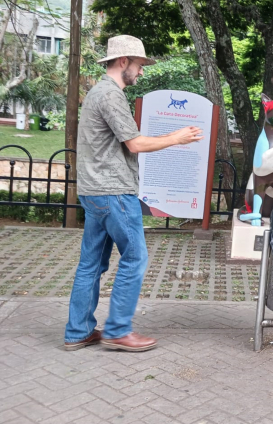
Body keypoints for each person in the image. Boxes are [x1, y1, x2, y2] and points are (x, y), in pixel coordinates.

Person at [64, 35, 203, 352]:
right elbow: (136, 144)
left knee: (91, 266)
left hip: (94, 191)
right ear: (123, 62)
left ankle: (78, 331)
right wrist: (176, 137)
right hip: (113, 192)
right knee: (136, 257)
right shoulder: (110, 96)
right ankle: (117, 330)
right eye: (139, 65)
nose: (141, 72)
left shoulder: (99, 93)